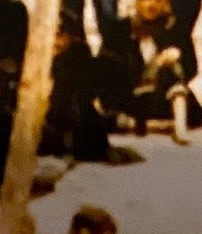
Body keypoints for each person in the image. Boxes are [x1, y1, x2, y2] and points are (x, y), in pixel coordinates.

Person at [98, 0, 202, 146]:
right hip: (129, 95)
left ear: (166, 4)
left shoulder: (174, 30)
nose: (151, 4)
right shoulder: (120, 29)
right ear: (138, 1)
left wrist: (176, 58)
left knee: (171, 71)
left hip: (161, 94)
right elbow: (104, 69)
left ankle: (178, 128)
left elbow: (192, 69)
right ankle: (155, 126)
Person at [40, 11, 137, 165]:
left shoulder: (76, 63)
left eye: (59, 35)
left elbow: (74, 107)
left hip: (71, 130)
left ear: (70, 38)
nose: (53, 41)